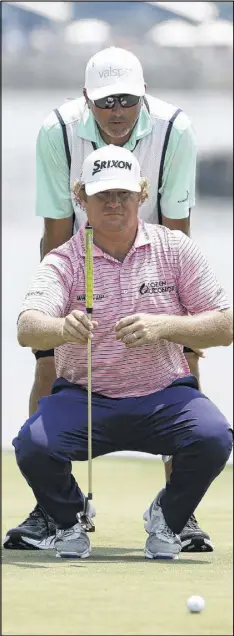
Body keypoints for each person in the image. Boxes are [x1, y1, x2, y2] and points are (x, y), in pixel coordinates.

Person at [4, 47, 209, 552]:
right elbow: (55, 229)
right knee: (47, 373)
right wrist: (52, 321)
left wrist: (178, 325)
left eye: (127, 100)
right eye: (105, 102)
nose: (117, 112)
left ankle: (180, 515)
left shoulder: (174, 129)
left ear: (143, 95)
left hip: (155, 250)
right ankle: (53, 510)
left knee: (185, 368)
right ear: (86, 100)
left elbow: (177, 228)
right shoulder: (57, 130)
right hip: (78, 254)